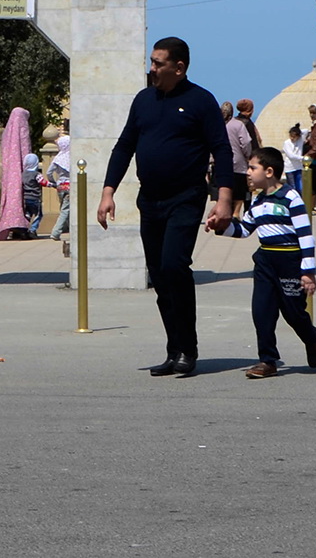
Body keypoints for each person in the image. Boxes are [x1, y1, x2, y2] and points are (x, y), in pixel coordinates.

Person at [98, 36, 240, 378]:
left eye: (158, 63)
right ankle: (173, 348)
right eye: (151, 62)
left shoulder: (200, 101)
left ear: (179, 67)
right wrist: (108, 192)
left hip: (186, 197)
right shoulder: (144, 100)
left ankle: (188, 350)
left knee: (175, 266)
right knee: (160, 276)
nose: (152, 69)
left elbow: (222, 150)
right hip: (150, 200)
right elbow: (124, 146)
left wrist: (224, 199)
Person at [217, 148, 316, 379]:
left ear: (269, 171)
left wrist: (308, 272)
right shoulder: (257, 201)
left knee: (294, 313)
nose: (248, 173)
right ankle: (267, 360)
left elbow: (306, 236)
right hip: (265, 261)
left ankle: (312, 340)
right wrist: (221, 226)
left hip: (289, 262)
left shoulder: (291, 198)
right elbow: (244, 230)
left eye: (253, 168)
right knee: (261, 312)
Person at [0, 107, 33, 240]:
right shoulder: (20, 130)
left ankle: (16, 227)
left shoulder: (9, 133)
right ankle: (19, 226)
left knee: (15, 197)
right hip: (20, 173)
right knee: (20, 197)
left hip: (11, 175)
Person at [222, 102, 254, 199]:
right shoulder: (238, 124)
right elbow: (246, 143)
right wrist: (248, 156)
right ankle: (235, 213)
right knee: (239, 194)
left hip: (221, 163)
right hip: (238, 165)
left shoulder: (217, 124)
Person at [45, 134, 75, 239]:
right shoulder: (72, 157)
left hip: (60, 187)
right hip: (70, 186)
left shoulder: (58, 158)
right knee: (65, 210)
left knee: (64, 208)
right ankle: (56, 232)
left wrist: (54, 182)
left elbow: (49, 172)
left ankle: (67, 228)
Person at [280, 123, 308, 203]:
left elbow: (306, 131)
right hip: (290, 168)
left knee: (300, 187)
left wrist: (297, 130)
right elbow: (291, 155)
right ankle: (292, 203)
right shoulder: (287, 143)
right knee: (293, 187)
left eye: (294, 137)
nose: (292, 138)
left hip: (298, 167)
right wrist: (302, 158)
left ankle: (300, 202)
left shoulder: (300, 140)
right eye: (291, 136)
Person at [22, 145, 44, 236]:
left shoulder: (22, 174)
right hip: (35, 198)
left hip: (25, 198)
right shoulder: (36, 174)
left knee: (28, 213)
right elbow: (42, 182)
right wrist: (52, 184)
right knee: (39, 214)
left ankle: (24, 227)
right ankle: (32, 229)